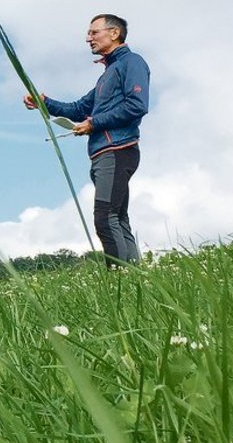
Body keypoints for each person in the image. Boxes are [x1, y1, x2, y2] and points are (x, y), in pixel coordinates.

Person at [26, 14, 150, 266]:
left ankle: (119, 280)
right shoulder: (108, 74)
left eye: (93, 32)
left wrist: (94, 123)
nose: (87, 38)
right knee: (117, 217)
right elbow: (79, 108)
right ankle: (137, 280)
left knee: (105, 218)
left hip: (117, 149)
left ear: (114, 33)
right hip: (103, 153)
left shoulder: (132, 63)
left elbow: (136, 106)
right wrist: (43, 102)